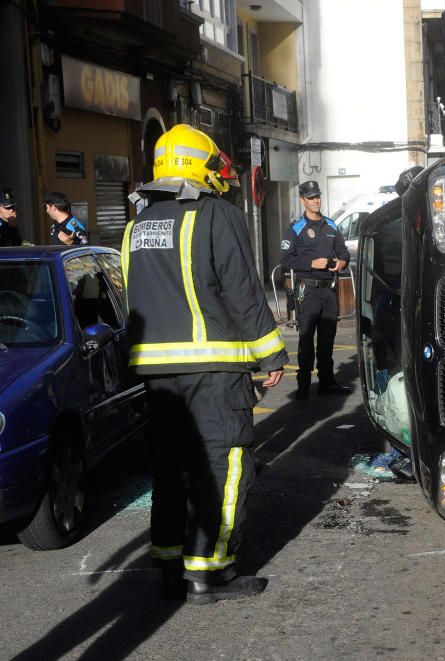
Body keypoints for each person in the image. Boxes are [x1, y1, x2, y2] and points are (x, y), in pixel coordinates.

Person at [121, 124, 288, 604]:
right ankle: (211, 572)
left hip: (157, 375)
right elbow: (241, 288)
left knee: (171, 468)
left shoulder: (137, 225)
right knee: (224, 464)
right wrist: (270, 352)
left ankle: (172, 567)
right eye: (214, 166)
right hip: (213, 370)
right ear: (200, 168)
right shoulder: (217, 214)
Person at [280, 180, 351, 400]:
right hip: (307, 290)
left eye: (318, 196)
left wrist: (341, 263)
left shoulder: (331, 225)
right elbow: (285, 259)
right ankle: (303, 385)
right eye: (311, 197)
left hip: (329, 290)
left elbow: (344, 253)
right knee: (306, 337)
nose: (316, 200)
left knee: (328, 338)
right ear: (303, 200)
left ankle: (327, 382)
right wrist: (312, 263)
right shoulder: (296, 228)